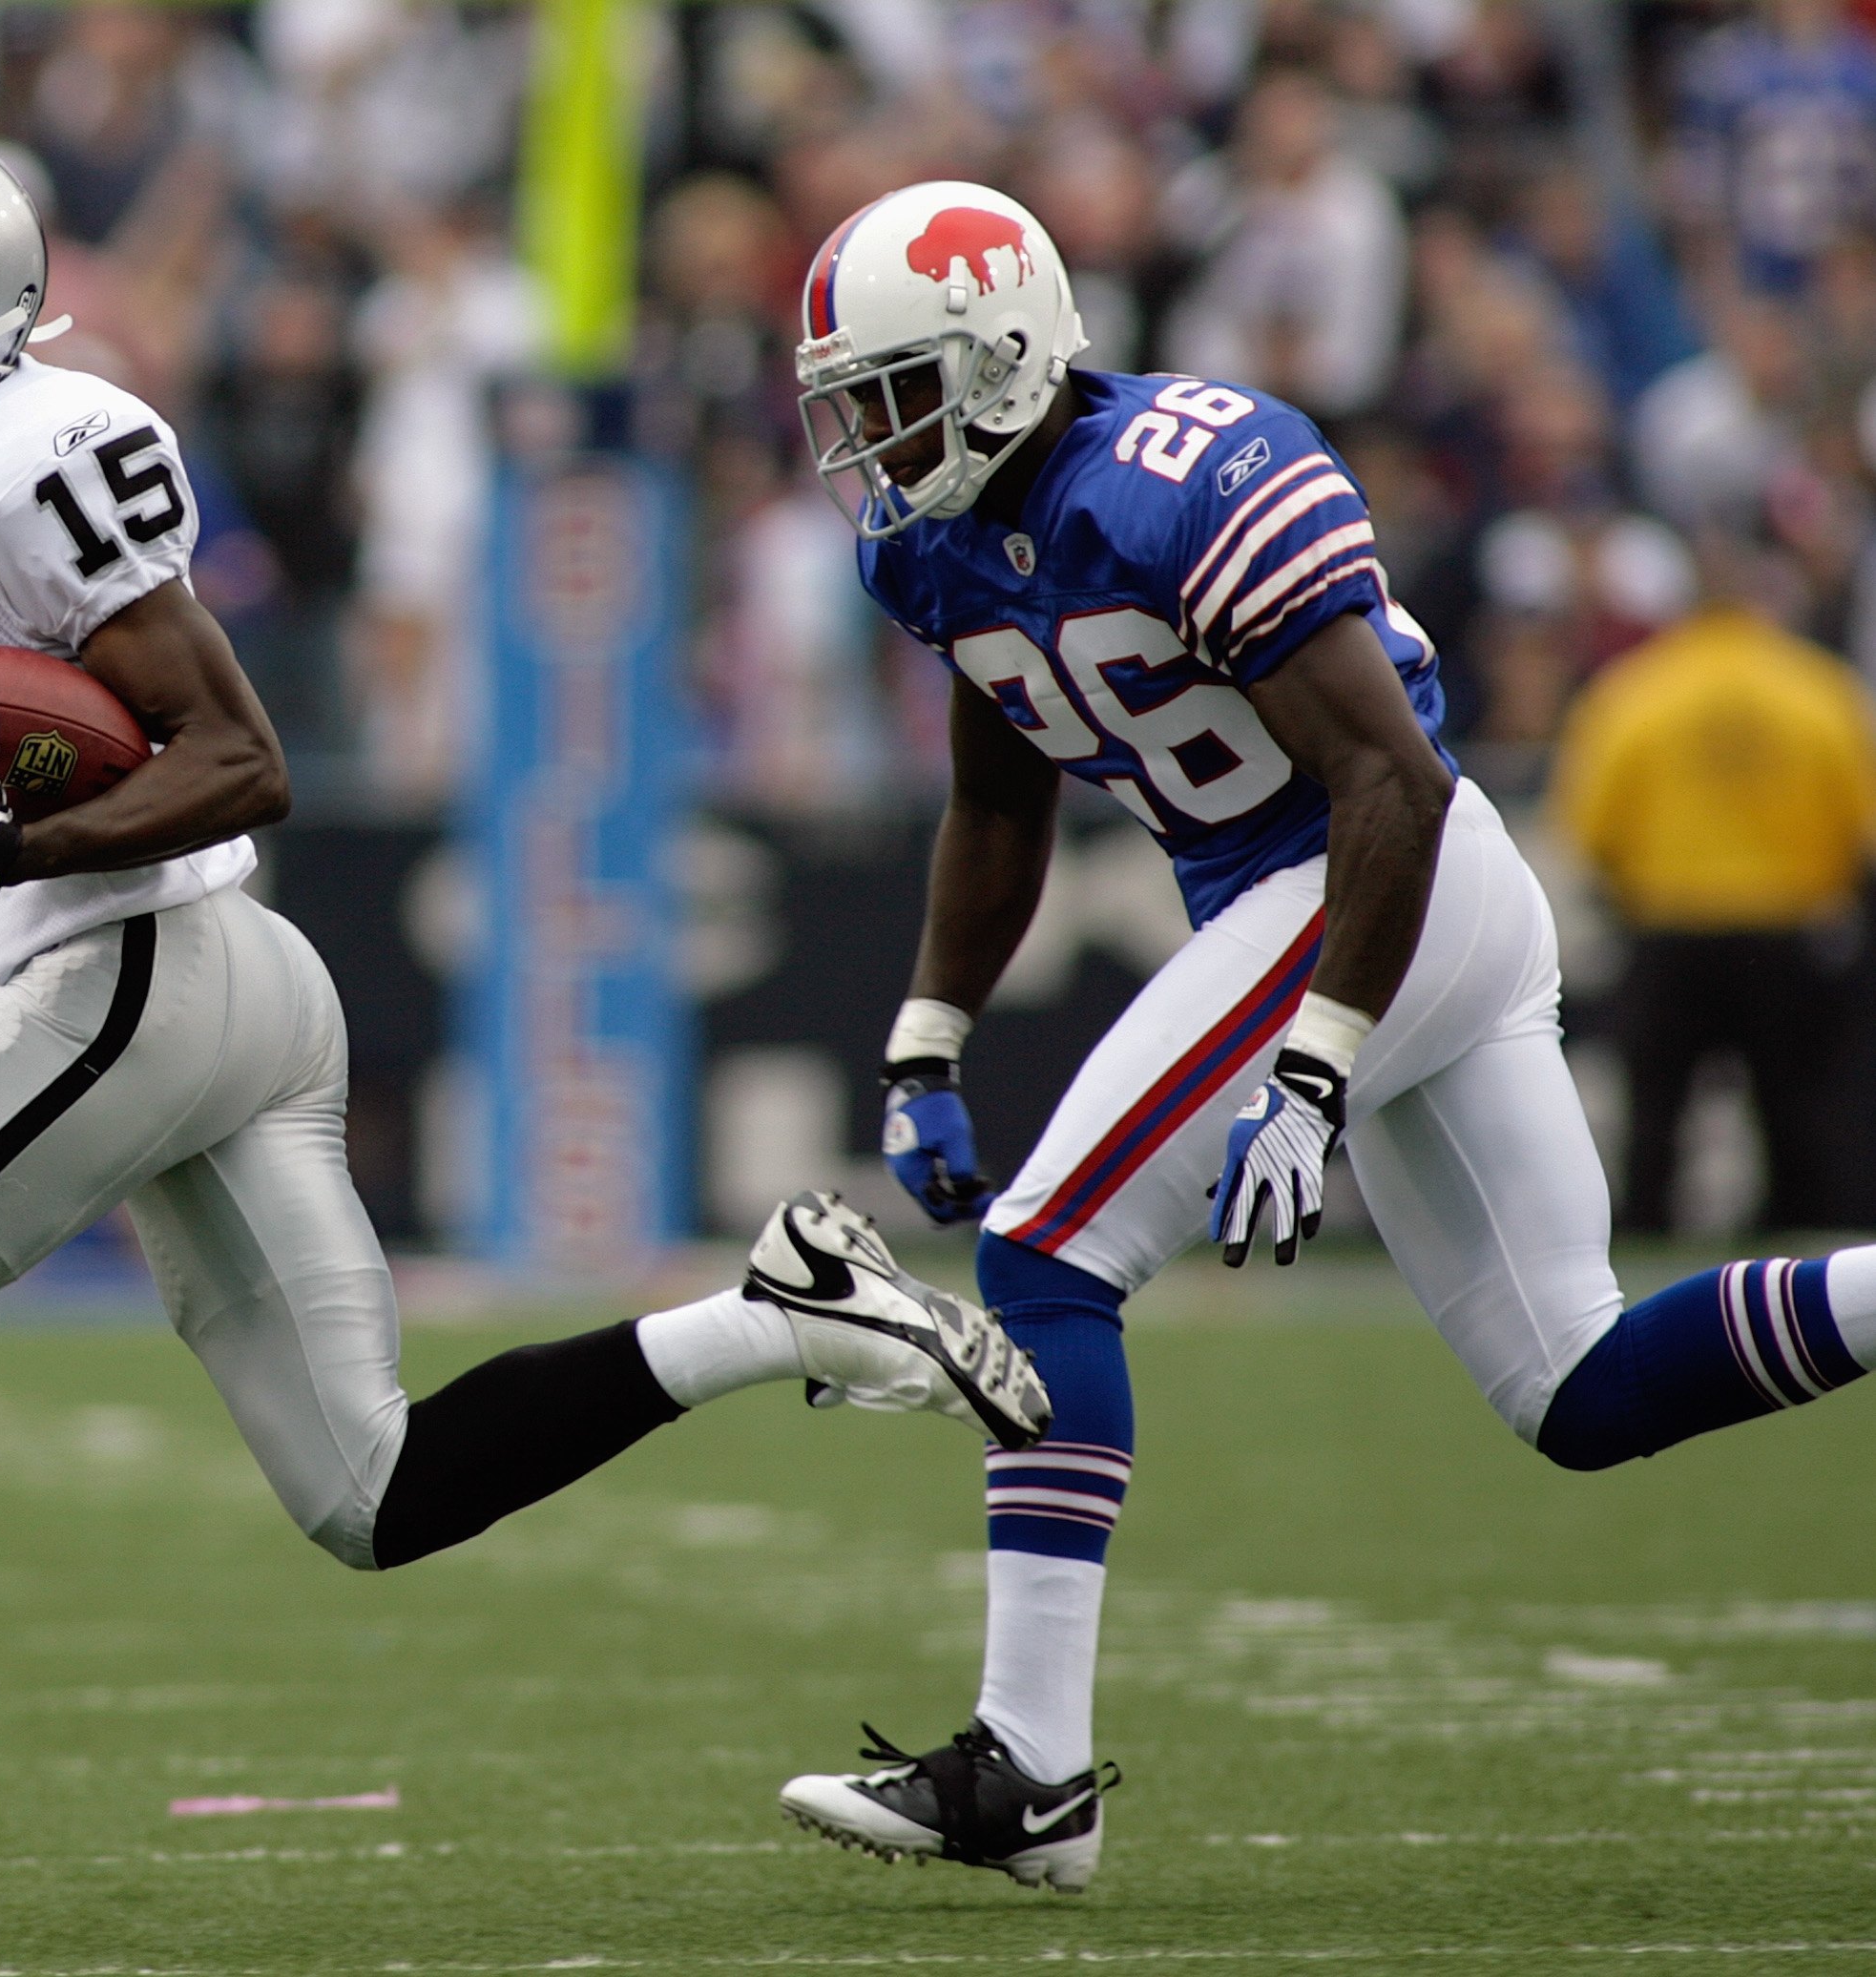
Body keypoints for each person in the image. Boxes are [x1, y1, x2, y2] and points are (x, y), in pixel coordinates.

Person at [0, 122, 1052, 1952]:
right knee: (370, 1491)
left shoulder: (33, 454)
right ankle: (773, 1314)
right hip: (193, 981)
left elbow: (239, 757)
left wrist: (27, 842)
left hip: (143, 959)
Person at [768, 180, 1876, 1897]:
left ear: (1001, 354)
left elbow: (1391, 779)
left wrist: (1312, 1066)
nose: (870, 439)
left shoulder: (1183, 476)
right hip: (1346, 899)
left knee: (1044, 1252)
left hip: (1377, 877)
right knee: (1576, 1390)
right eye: (854, 403)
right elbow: (995, 799)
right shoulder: (927, 546)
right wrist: (926, 1038)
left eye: (897, 391)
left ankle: (1028, 1770)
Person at [1553, 562, 1876, 1234]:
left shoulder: (1636, 690)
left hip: (1669, 926)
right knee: (1791, 1108)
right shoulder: (1816, 688)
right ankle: (1794, 1234)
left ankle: (1648, 1228)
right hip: (1783, 928)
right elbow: (1860, 823)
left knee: (1655, 1108)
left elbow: (1589, 827)